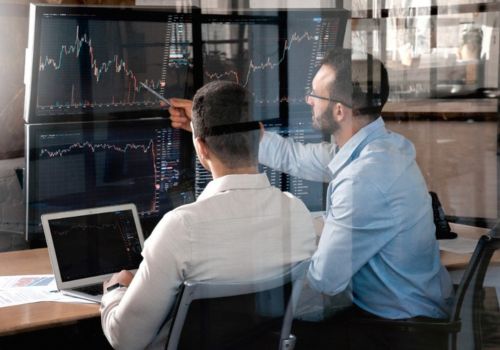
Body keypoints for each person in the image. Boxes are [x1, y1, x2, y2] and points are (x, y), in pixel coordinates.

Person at [169, 49, 454, 349]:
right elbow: (294, 156)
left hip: (397, 333)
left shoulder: (364, 178)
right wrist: (214, 127)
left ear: (340, 111)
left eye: (316, 95)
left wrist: (245, 284)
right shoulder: (380, 148)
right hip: (400, 316)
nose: (308, 101)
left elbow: (322, 285)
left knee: (256, 333)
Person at [100, 81, 316, 349]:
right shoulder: (297, 213)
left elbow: (126, 340)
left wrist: (115, 293)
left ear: (201, 148)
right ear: (261, 134)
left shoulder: (180, 228)